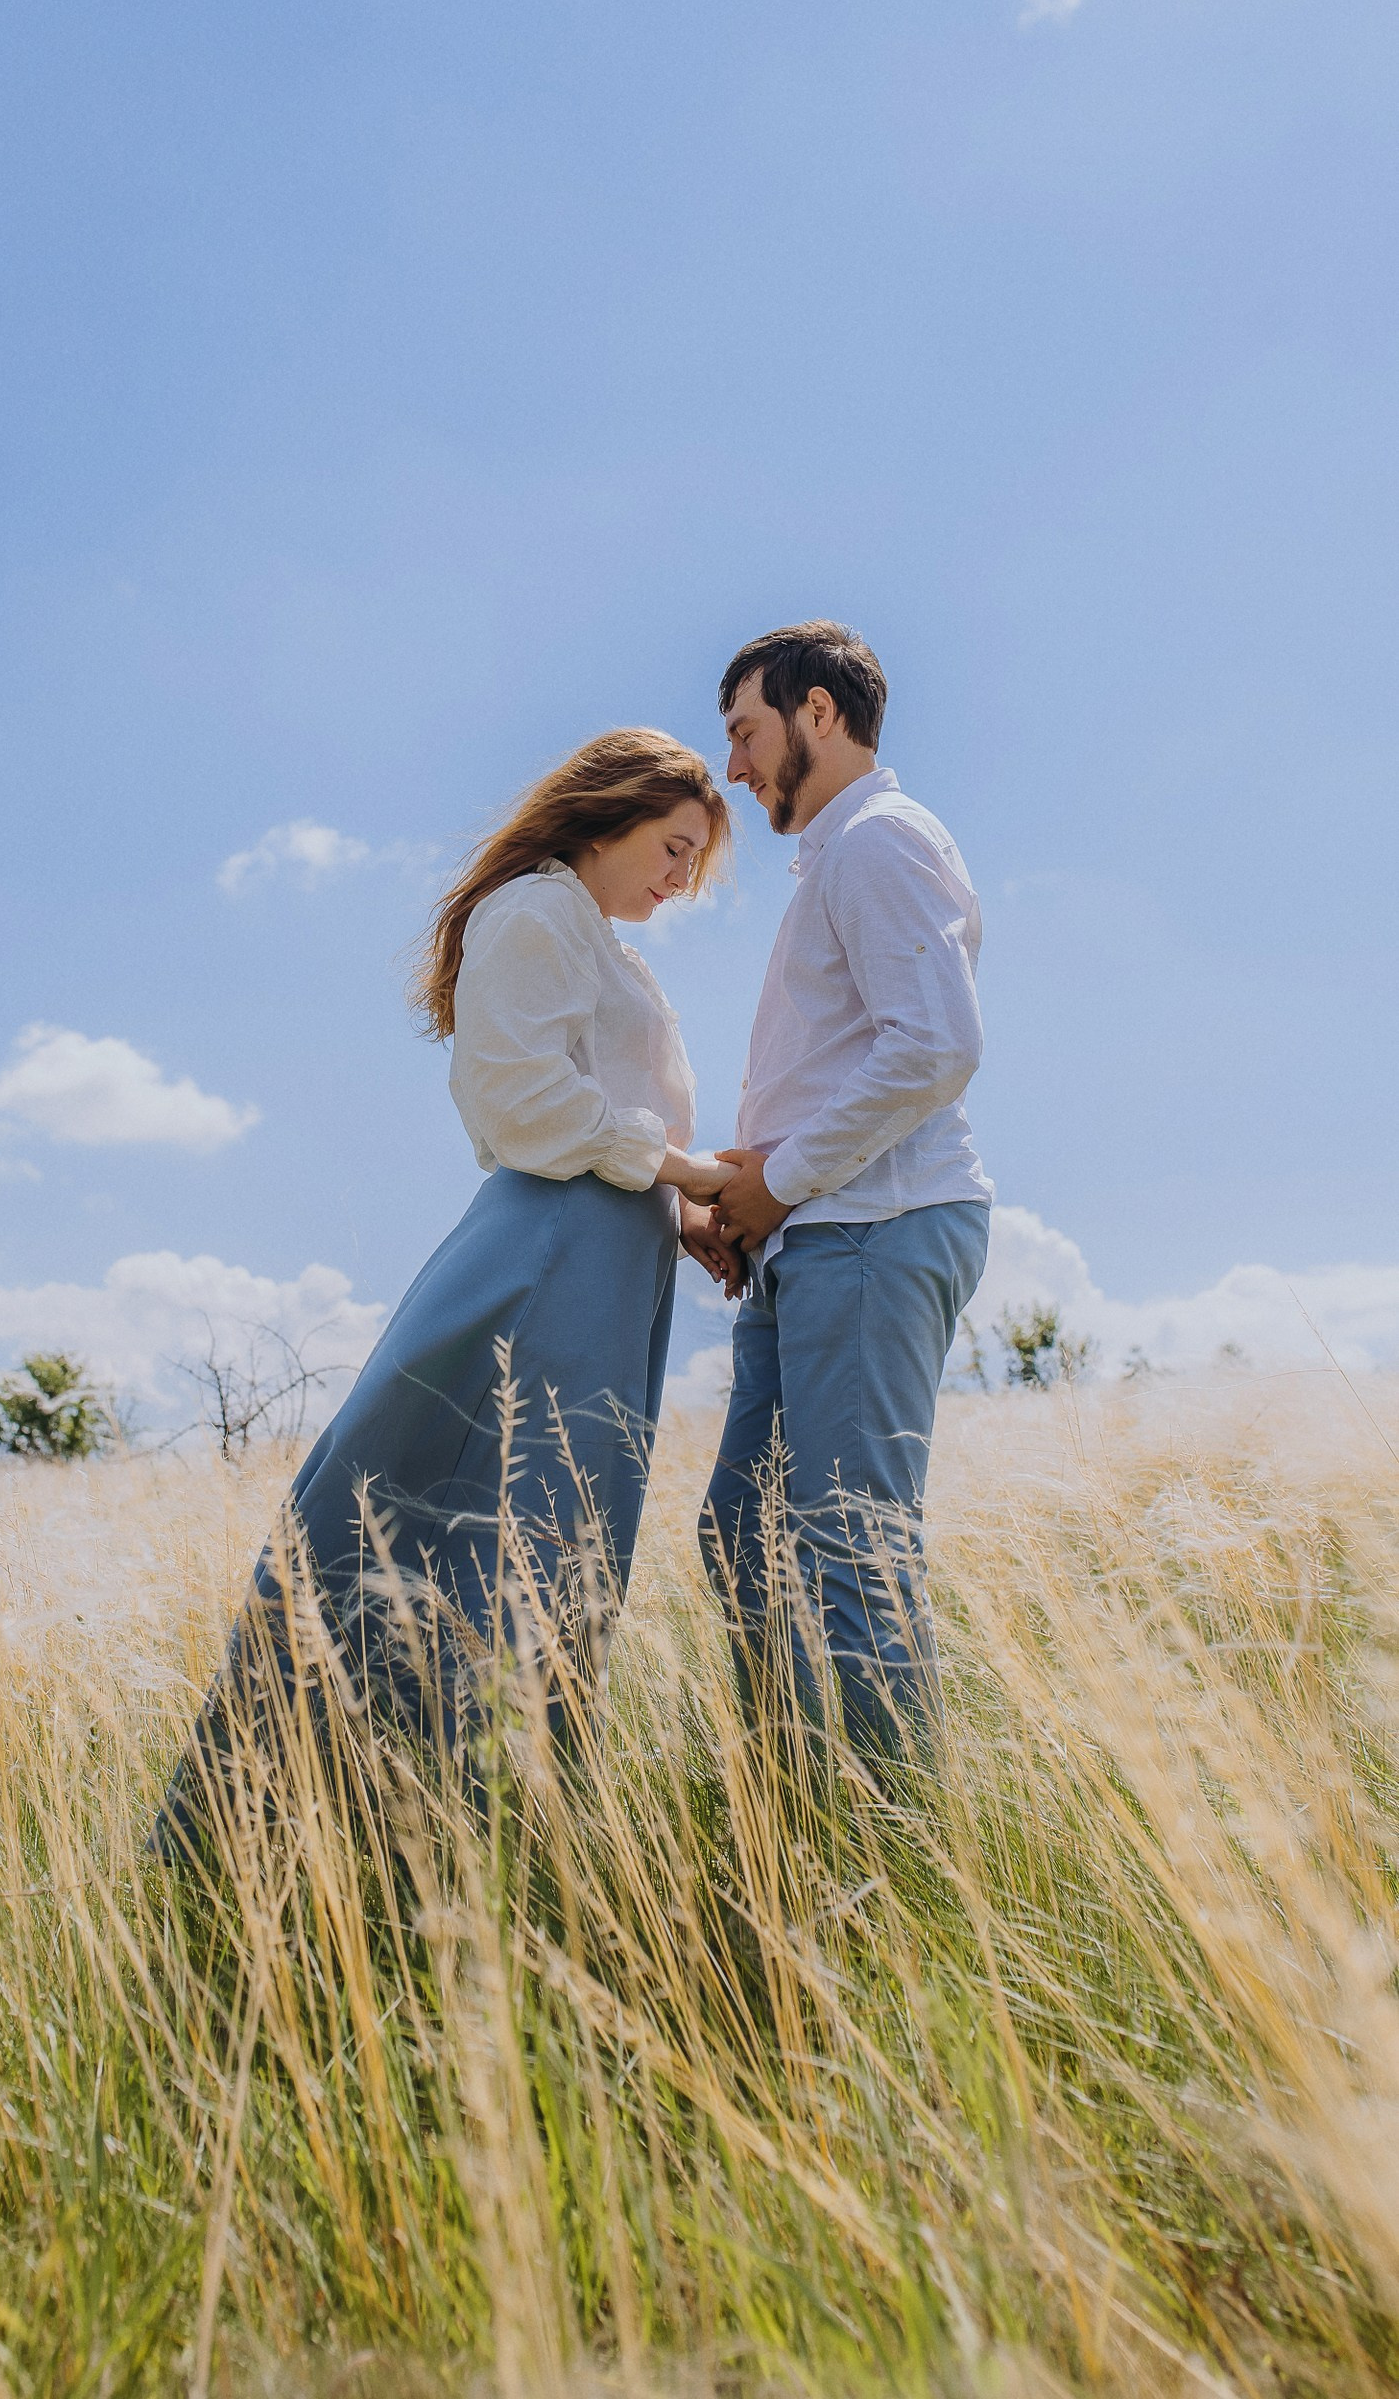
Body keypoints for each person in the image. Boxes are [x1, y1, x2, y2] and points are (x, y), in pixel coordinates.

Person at [156, 728, 736, 1858]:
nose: (679, 881)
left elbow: (612, 1119)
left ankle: (497, 1837)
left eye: (693, 864)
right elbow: (521, 1106)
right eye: (672, 850)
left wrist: (688, 1215)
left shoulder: (613, 951)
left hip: (611, 1262)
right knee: (462, 1531)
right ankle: (307, 1831)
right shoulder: (533, 911)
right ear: (607, 814)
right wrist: (688, 1175)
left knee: (558, 1544)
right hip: (548, 1259)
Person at [699, 621, 992, 1767]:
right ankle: (792, 1809)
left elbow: (935, 1048)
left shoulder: (878, 841)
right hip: (814, 1237)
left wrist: (776, 1181)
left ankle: (895, 1849)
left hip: (873, 1230)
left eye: (744, 730)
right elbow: (842, 1064)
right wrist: (745, 1197)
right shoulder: (841, 856)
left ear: (818, 713)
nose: (733, 766)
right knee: (743, 1537)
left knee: (849, 1550)